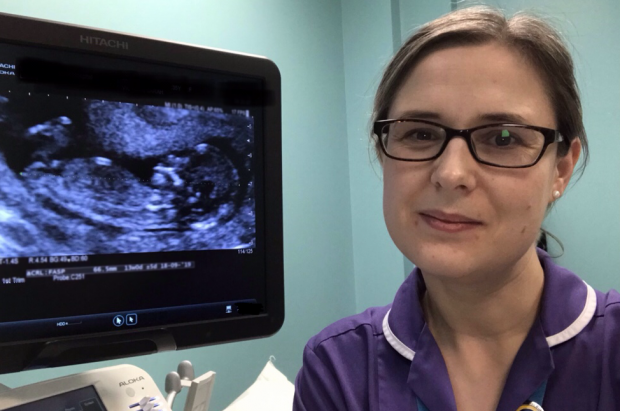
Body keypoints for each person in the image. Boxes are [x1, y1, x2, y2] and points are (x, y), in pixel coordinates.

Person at [293, 5, 620, 411]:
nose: (450, 173)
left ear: (561, 169)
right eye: (420, 133)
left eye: (503, 138)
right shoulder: (339, 370)